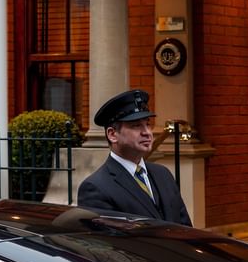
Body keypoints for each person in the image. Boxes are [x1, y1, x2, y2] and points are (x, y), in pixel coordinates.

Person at [78, 89, 192, 226]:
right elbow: (107, 244)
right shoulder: (96, 188)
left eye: (147, 124)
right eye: (136, 126)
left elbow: (186, 229)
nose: (147, 133)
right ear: (112, 134)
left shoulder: (163, 174)